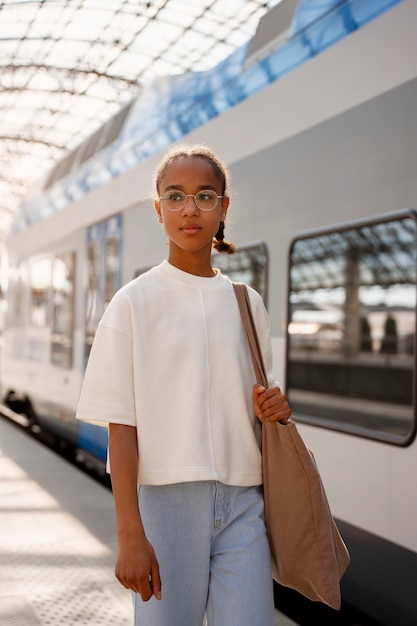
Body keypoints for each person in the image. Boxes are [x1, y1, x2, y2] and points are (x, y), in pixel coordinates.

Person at [76, 143, 292, 626]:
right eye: (174, 197)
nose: (189, 209)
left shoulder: (247, 302)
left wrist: (273, 404)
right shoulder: (133, 303)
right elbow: (122, 425)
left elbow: (261, 400)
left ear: (224, 209)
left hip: (244, 501)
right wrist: (131, 532)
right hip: (165, 504)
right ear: (158, 210)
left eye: (204, 196)